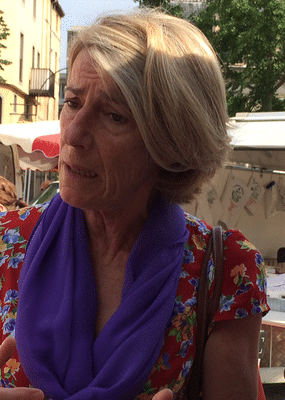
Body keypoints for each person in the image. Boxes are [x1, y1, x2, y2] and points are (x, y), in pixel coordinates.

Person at [0, 9, 269, 400]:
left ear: (172, 142)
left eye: (113, 115)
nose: (73, 135)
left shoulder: (225, 268)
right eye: (72, 102)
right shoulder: (8, 242)